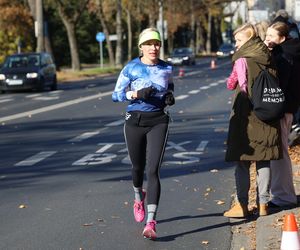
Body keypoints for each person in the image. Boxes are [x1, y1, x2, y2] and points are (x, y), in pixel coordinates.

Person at [112, 27, 175, 240]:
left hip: (158, 120)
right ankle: (138, 196)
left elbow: (169, 86)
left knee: (153, 170)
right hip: (135, 121)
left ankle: (151, 222)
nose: (153, 47)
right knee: (137, 168)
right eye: (148, 44)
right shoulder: (131, 68)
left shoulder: (167, 67)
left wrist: (168, 97)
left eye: (156, 43)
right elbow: (116, 95)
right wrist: (136, 93)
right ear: (141, 47)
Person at [224, 23, 281, 218]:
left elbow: (239, 87)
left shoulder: (243, 60)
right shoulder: (267, 56)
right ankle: (263, 204)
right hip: (267, 113)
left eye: (239, 40)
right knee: (263, 160)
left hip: (246, 116)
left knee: (242, 162)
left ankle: (242, 205)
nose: (236, 45)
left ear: (248, 40)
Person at [264, 21, 300, 208]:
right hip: (287, 108)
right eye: (266, 35)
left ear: (282, 38)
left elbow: (279, 85)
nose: (267, 39)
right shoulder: (290, 51)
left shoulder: (284, 55)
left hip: (281, 109)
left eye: (271, 36)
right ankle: (282, 193)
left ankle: (283, 196)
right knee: (280, 153)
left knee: (280, 154)